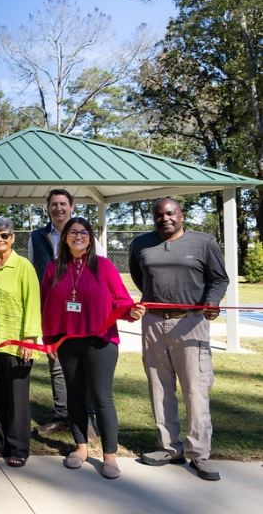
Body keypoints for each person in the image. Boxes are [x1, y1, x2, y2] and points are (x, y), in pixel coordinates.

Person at [129, 198, 229, 481]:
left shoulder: (204, 242)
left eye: (170, 213)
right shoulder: (140, 244)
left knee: (195, 389)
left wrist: (211, 301)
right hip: (153, 322)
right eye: (159, 214)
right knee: (159, 386)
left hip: (191, 322)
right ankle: (169, 447)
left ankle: (199, 454)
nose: (165, 219)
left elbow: (219, 279)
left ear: (181, 216)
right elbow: (140, 277)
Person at [41, 217, 140, 480]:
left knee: (101, 397)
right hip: (67, 341)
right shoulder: (54, 268)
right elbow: (45, 306)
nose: (78, 236)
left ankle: (109, 455)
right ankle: (81, 448)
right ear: (65, 238)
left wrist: (133, 312)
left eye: (83, 232)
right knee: (74, 394)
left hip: (101, 341)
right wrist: (48, 340)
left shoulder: (104, 266)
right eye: (73, 232)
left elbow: (122, 301)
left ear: (90, 238)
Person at [28, 189, 99, 442]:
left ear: (71, 206)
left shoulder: (86, 233)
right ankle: (61, 417)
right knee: (57, 365)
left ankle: (87, 419)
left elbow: (99, 270)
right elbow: (34, 273)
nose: (58, 208)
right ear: (47, 208)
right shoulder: (36, 237)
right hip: (54, 312)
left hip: (83, 314)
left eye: (63, 204)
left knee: (86, 366)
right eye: (53, 205)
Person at [0, 217, 41, 468]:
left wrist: (29, 338)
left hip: (16, 344)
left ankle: (18, 448)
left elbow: (32, 303)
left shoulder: (23, 266)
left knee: (17, 398)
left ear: (13, 238)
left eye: (4, 235)